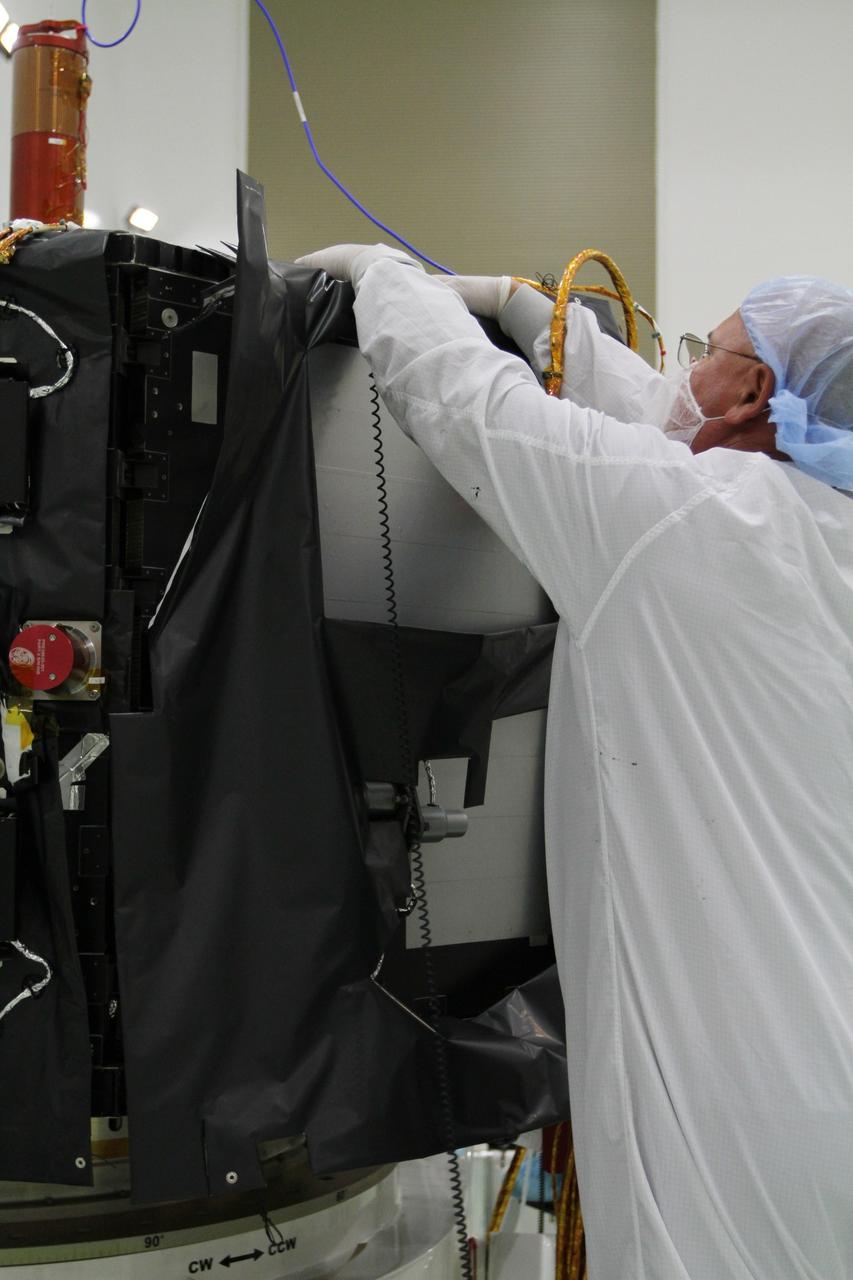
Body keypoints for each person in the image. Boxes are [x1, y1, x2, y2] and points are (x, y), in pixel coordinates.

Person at [297, 244, 853, 1280]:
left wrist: (382, 277)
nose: (679, 371)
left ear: (753, 390)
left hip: (739, 1118)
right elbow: (650, 429)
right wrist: (526, 309)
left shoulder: (688, 526)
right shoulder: (810, 536)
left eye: (704, 351)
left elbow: (473, 406)